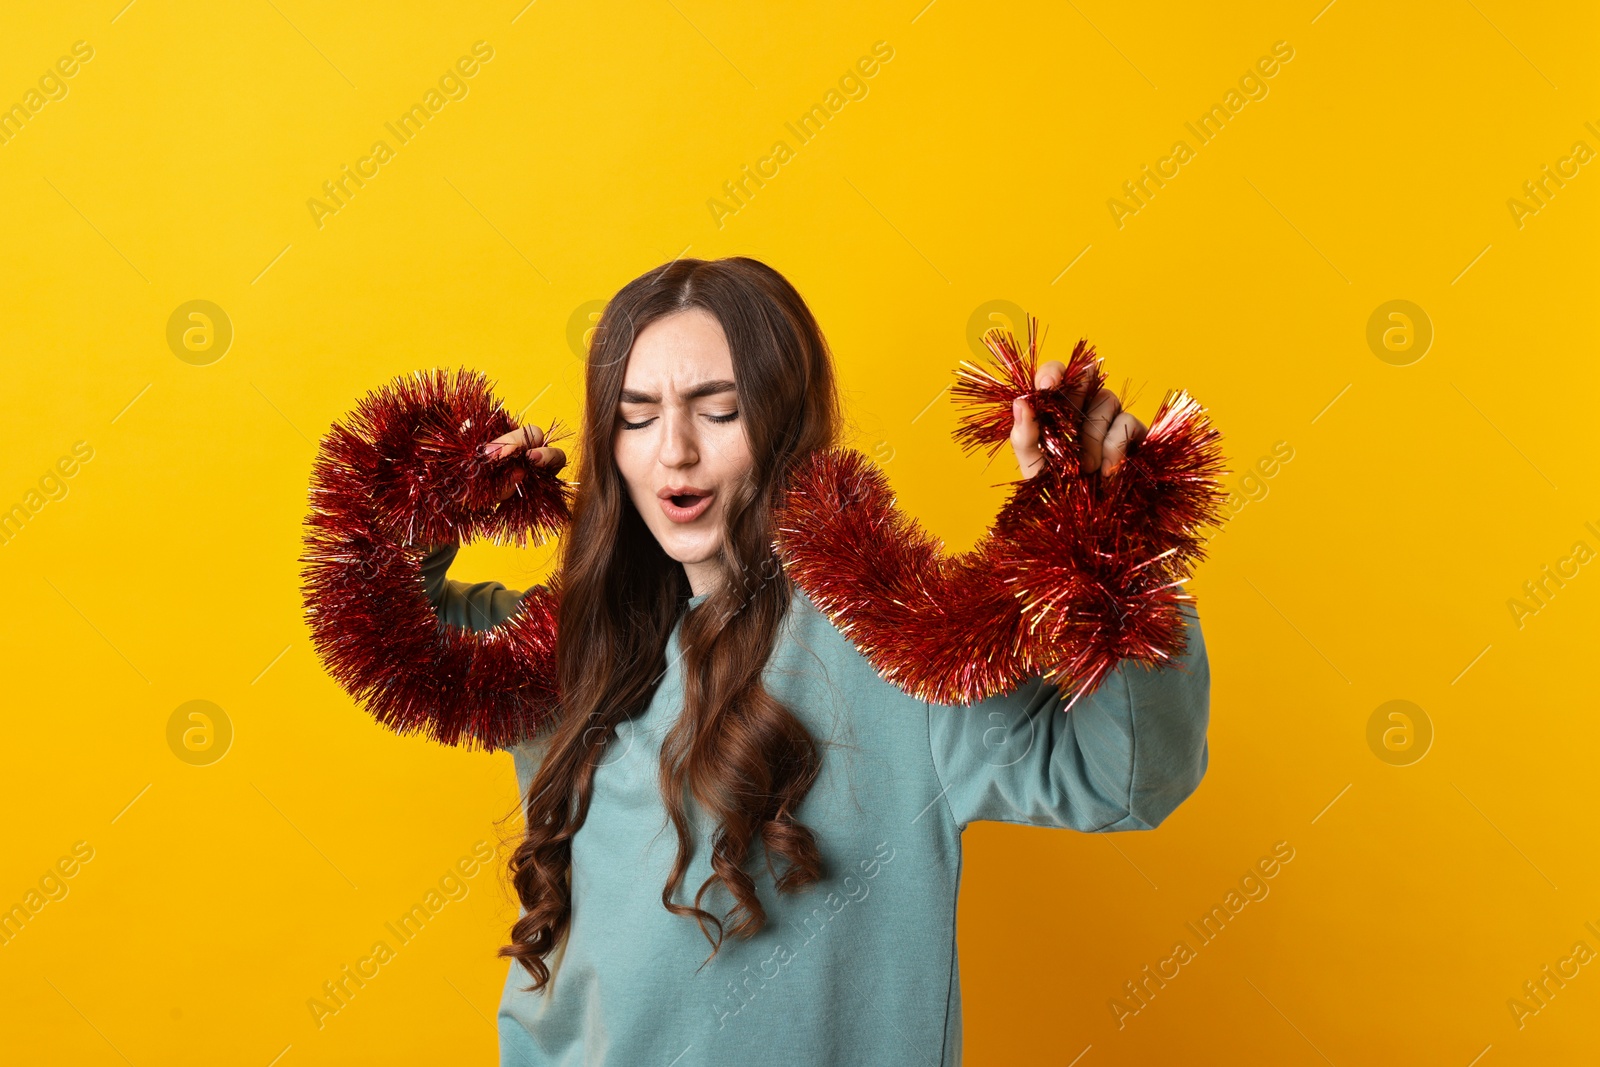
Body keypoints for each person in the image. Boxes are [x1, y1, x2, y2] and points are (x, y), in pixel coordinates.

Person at [414, 256, 1209, 1065]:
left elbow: (1131, 775)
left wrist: (1115, 538)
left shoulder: (895, 642)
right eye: (636, 415)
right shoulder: (561, 643)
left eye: (718, 412)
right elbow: (391, 619)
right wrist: (436, 489)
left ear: (785, 424)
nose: (674, 452)